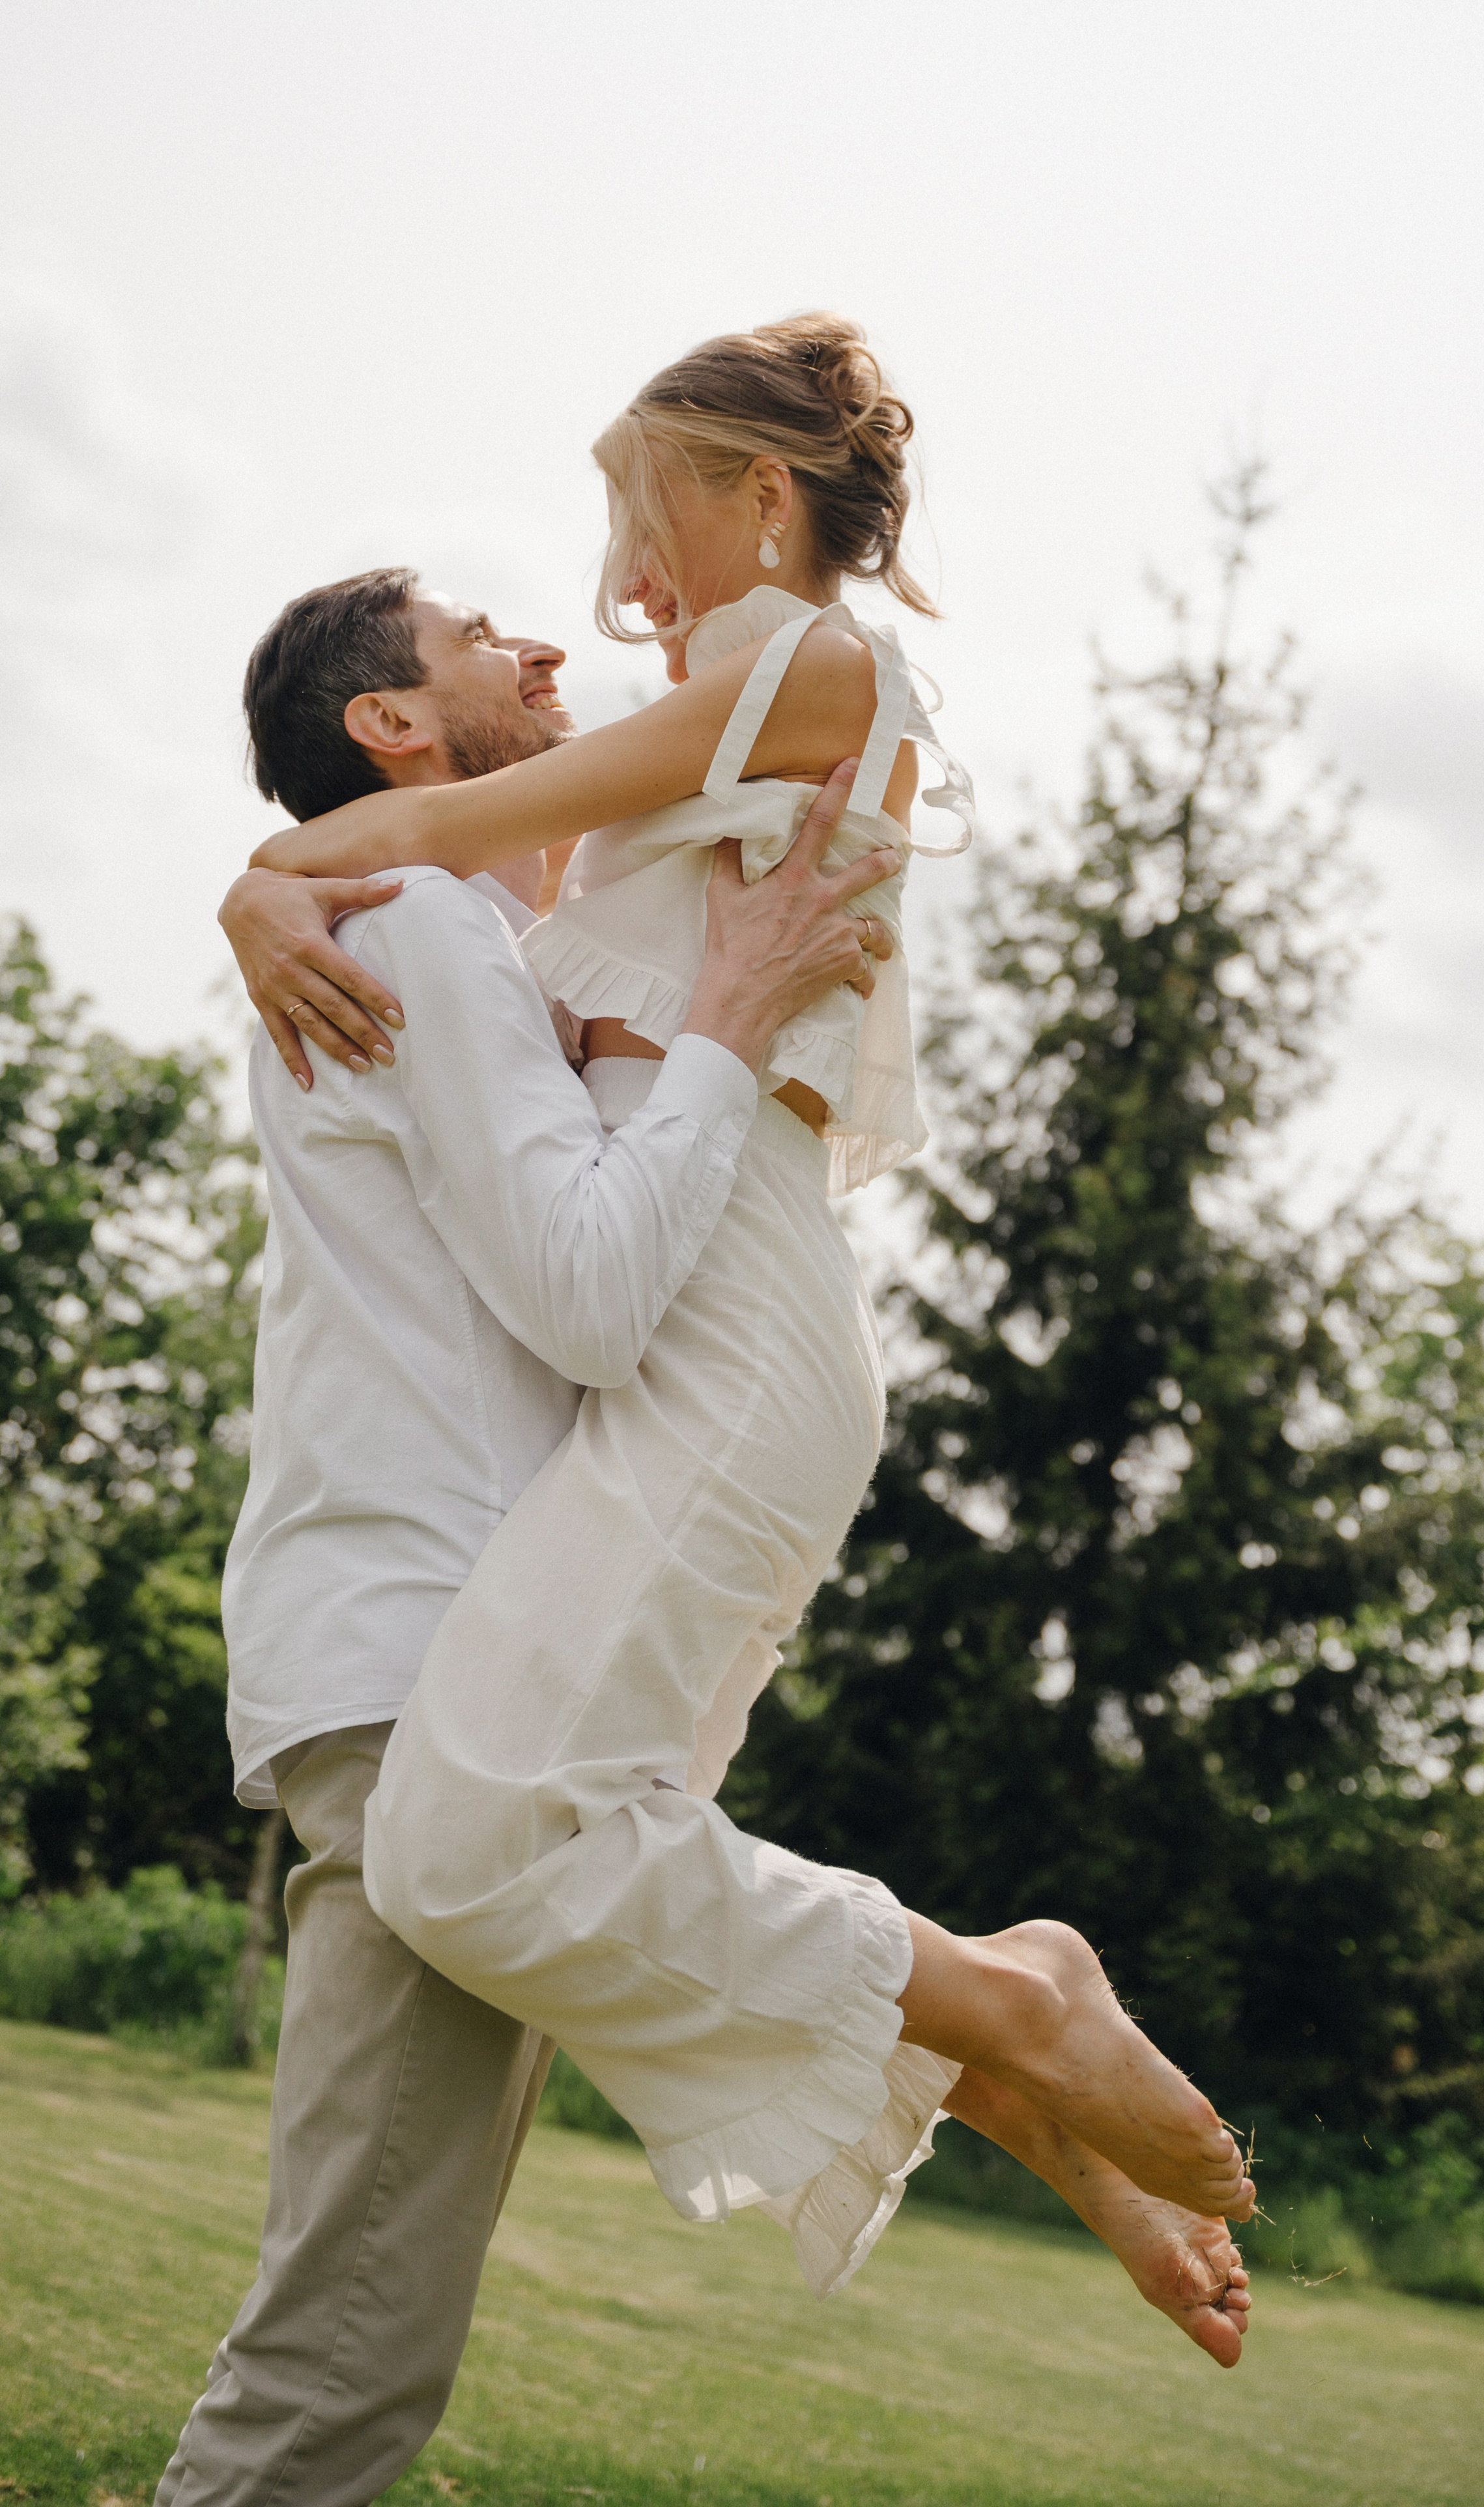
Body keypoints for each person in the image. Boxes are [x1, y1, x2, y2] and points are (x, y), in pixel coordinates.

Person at [236, 315, 1253, 2366]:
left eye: (638, 509)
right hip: (692, 1342)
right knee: (571, 1861)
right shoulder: (697, 731)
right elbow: (436, 844)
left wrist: (271, 877)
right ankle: (1012, 2066)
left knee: (480, 1846)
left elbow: (408, 833)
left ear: (759, 494)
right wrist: (284, 878)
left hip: (731, 1331)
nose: (609, 580)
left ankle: (1015, 2006)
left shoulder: (817, 673)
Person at [159, 567, 902, 2507]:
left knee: (353, 2335)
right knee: (339, 2366)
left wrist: (268, 879)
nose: (550, 647)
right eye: (485, 637)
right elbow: (586, 1299)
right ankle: (1016, 2020)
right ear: (393, 728)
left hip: (422, 1665)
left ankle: (1022, 2052)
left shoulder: (426, 920)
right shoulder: (418, 922)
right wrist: (727, 1021)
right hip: (430, 1689)